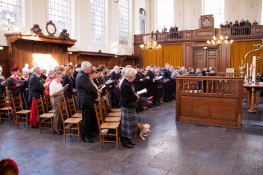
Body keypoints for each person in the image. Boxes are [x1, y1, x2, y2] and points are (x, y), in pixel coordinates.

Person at [76, 61, 99, 143]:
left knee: (88, 118)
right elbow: (89, 88)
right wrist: (96, 93)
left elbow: (91, 86)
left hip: (87, 100)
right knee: (86, 119)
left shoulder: (84, 75)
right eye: (90, 67)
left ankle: (88, 133)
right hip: (85, 101)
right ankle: (84, 136)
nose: (91, 69)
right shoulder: (82, 76)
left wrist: (95, 92)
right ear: (86, 68)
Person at [120, 68, 139, 148]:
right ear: (130, 76)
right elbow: (126, 99)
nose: (135, 77)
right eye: (134, 75)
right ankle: (124, 141)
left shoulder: (127, 83)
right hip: (127, 106)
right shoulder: (126, 85)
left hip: (128, 106)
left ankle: (127, 140)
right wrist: (136, 97)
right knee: (126, 126)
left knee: (128, 125)